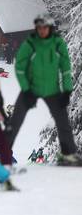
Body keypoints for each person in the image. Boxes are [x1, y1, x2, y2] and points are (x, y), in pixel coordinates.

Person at [5, 14, 82, 166]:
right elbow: (20, 67)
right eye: (39, 28)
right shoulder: (30, 43)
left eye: (44, 28)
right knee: (16, 120)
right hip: (31, 88)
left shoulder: (58, 43)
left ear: (50, 28)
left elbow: (66, 68)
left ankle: (69, 155)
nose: (41, 31)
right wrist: (26, 89)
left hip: (52, 89)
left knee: (63, 122)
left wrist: (66, 90)